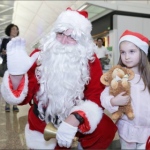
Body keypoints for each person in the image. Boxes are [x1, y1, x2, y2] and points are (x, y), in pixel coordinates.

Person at [0, 8, 117, 149]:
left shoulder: (89, 60)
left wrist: (76, 118)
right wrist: (16, 75)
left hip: (75, 118)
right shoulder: (41, 55)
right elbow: (23, 98)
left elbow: (96, 95)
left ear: (82, 42)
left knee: (105, 129)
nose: (63, 41)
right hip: (43, 122)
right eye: (60, 33)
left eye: (72, 36)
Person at [101, 30, 150, 149]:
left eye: (132, 51)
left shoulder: (148, 77)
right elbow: (104, 96)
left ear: (142, 52)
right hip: (126, 129)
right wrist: (113, 101)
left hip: (147, 132)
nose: (127, 57)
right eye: (123, 52)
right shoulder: (119, 75)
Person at [0, 23, 19, 112]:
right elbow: (1, 51)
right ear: (9, 31)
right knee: (7, 84)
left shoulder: (19, 41)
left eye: (16, 29)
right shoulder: (4, 40)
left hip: (16, 65)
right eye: (13, 29)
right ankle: (7, 104)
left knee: (15, 85)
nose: (15, 31)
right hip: (7, 64)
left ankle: (15, 104)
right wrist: (3, 53)